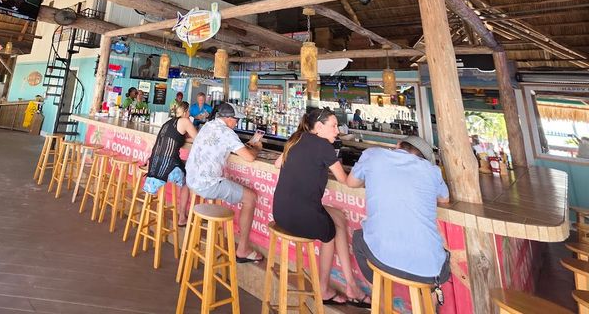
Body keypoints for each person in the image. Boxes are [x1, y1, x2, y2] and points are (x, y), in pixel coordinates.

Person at [273, 108, 370, 307]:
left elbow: (276, 163)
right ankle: (324, 288)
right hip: (301, 216)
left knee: (339, 218)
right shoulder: (323, 146)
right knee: (329, 234)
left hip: (280, 213)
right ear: (318, 127)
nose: (337, 131)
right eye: (333, 126)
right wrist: (366, 172)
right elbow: (346, 180)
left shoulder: (295, 139)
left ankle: (351, 285)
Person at [346, 136, 451, 288]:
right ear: (424, 159)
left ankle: (379, 293)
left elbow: (351, 182)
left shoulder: (373, 155)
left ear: (398, 145)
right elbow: (444, 200)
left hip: (381, 261)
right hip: (431, 271)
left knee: (358, 237)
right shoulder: (432, 171)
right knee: (433, 267)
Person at [186, 102, 263, 263]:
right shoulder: (228, 133)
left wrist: (247, 146)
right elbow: (249, 157)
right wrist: (256, 148)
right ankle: (243, 250)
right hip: (207, 184)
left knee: (245, 195)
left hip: (191, 180)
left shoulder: (208, 125)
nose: (237, 123)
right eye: (236, 119)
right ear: (228, 119)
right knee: (251, 198)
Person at [143, 101, 197, 225]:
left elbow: (178, 137)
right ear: (185, 112)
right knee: (187, 181)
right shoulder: (185, 121)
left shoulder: (168, 122)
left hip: (154, 164)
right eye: (188, 111)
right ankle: (182, 217)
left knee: (184, 165)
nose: (189, 114)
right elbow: (198, 138)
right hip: (168, 167)